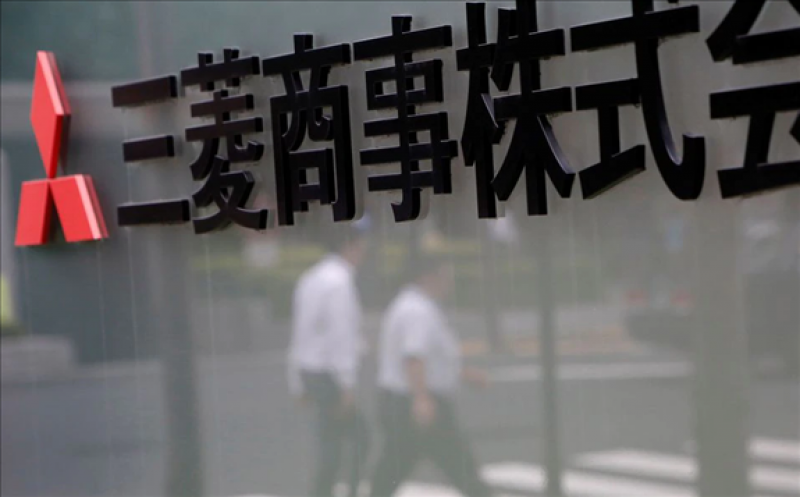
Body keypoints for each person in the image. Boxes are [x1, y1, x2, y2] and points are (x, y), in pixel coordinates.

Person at [370, 254, 492, 497]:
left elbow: (434, 359)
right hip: (415, 402)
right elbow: (414, 356)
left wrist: (465, 374)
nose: (449, 283)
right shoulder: (417, 310)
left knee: (393, 469)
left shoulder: (413, 305)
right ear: (428, 278)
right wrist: (422, 399)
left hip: (403, 402)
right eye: (445, 277)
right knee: (461, 467)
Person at [287, 218, 371, 497]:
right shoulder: (339, 283)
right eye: (361, 245)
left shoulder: (311, 277)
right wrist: (347, 383)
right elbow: (341, 335)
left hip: (311, 372)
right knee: (352, 441)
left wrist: (296, 382)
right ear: (351, 246)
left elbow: (299, 332)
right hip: (329, 375)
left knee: (337, 441)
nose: (364, 252)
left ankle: (336, 491)